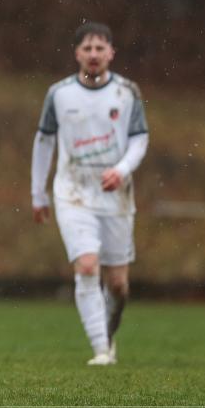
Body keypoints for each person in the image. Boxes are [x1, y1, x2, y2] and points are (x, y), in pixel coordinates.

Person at [31, 22, 149, 366]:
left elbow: (140, 138)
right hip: (73, 191)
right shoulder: (59, 93)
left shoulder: (127, 92)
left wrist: (122, 169)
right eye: (87, 48)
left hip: (116, 194)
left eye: (100, 48)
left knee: (118, 285)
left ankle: (108, 336)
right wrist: (38, 193)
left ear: (111, 52)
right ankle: (100, 349)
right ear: (76, 53)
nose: (94, 54)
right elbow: (44, 141)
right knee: (86, 265)